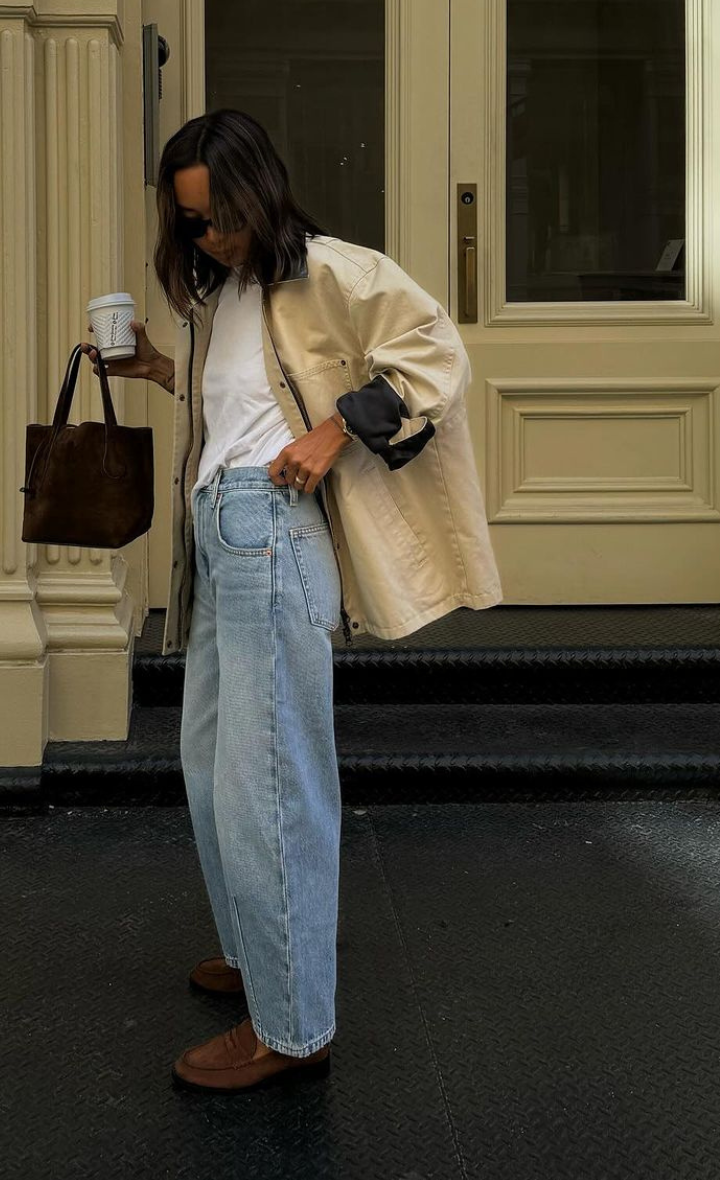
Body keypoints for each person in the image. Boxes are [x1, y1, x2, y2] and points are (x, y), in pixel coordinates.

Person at [83, 109, 502, 1095]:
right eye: (190, 223)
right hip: (222, 540)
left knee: (269, 784)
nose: (209, 237)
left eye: (220, 216)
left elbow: (436, 355)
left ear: (258, 191)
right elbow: (248, 397)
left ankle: (293, 1024)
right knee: (209, 767)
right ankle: (256, 949)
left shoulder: (331, 269)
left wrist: (336, 435)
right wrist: (155, 369)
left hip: (267, 532)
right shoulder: (228, 290)